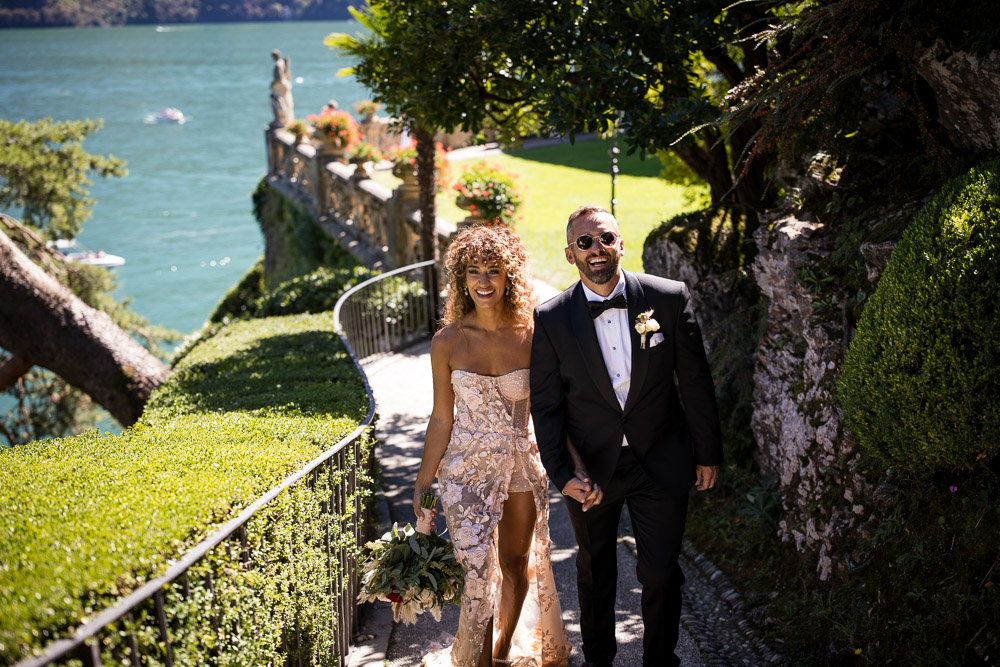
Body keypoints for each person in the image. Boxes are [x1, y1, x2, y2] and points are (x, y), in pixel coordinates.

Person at [529, 204, 723, 667]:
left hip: (662, 458)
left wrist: (708, 452)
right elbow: (547, 406)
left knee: (660, 573)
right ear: (570, 254)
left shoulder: (668, 297)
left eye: (606, 238)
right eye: (585, 242)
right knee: (596, 570)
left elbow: (695, 381)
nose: (597, 249)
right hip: (592, 469)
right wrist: (562, 474)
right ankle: (599, 660)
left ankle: (661, 660)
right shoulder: (552, 318)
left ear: (621, 244)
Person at [414, 225, 572, 667]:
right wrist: (423, 482)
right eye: (473, 271)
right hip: (463, 470)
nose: (483, 281)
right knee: (476, 573)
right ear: (461, 279)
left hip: (521, 462)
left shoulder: (533, 334)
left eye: (493, 271)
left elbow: (556, 408)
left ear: (509, 276)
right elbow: (441, 417)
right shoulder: (446, 341)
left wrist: (574, 463)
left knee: (516, 563)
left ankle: (501, 651)